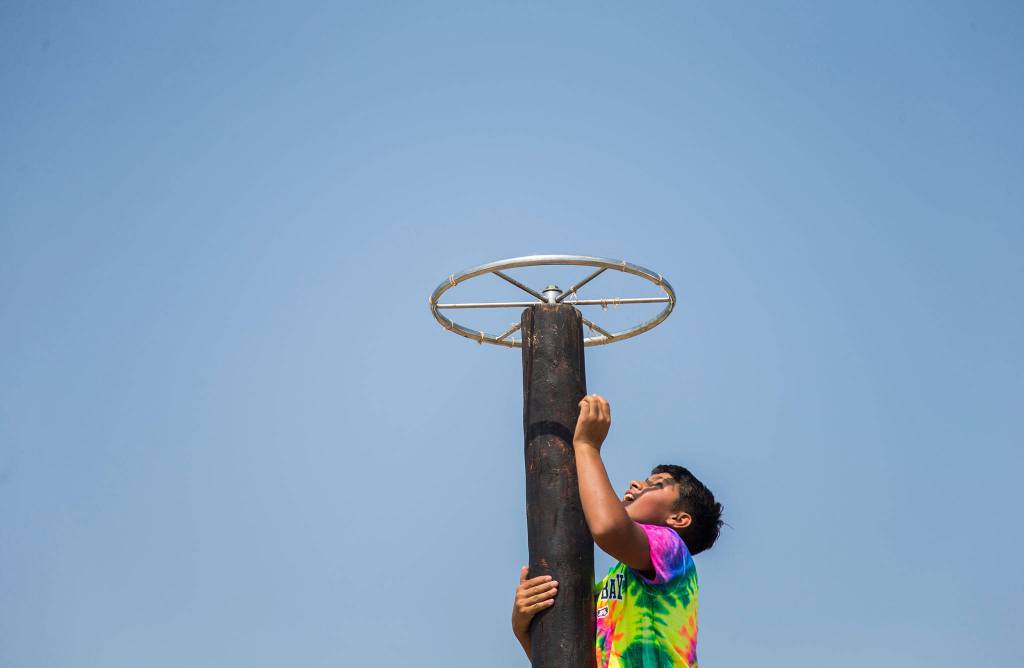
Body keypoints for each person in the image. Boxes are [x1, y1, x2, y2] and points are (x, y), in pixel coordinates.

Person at [511, 394, 724, 667]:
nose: (636, 484)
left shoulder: (673, 551)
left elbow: (608, 527)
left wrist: (587, 445)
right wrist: (522, 628)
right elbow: (569, 660)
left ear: (679, 519)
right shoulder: (611, 587)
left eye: (656, 484)